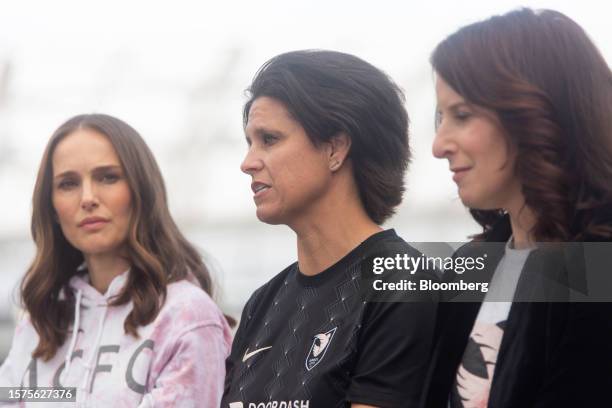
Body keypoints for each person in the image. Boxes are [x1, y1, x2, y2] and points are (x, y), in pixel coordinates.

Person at [222, 50, 438, 408]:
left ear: (335, 148)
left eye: (269, 139)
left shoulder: (401, 282)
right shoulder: (263, 303)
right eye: (249, 143)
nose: (248, 163)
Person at [423, 8, 612, 408]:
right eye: (441, 118)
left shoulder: (596, 274)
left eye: (462, 115)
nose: (438, 145)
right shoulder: (471, 267)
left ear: (534, 112)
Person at [0, 114, 232, 407]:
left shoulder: (186, 315)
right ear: (52, 208)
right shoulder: (41, 320)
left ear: (141, 190)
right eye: (68, 184)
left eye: (108, 177)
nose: (87, 198)